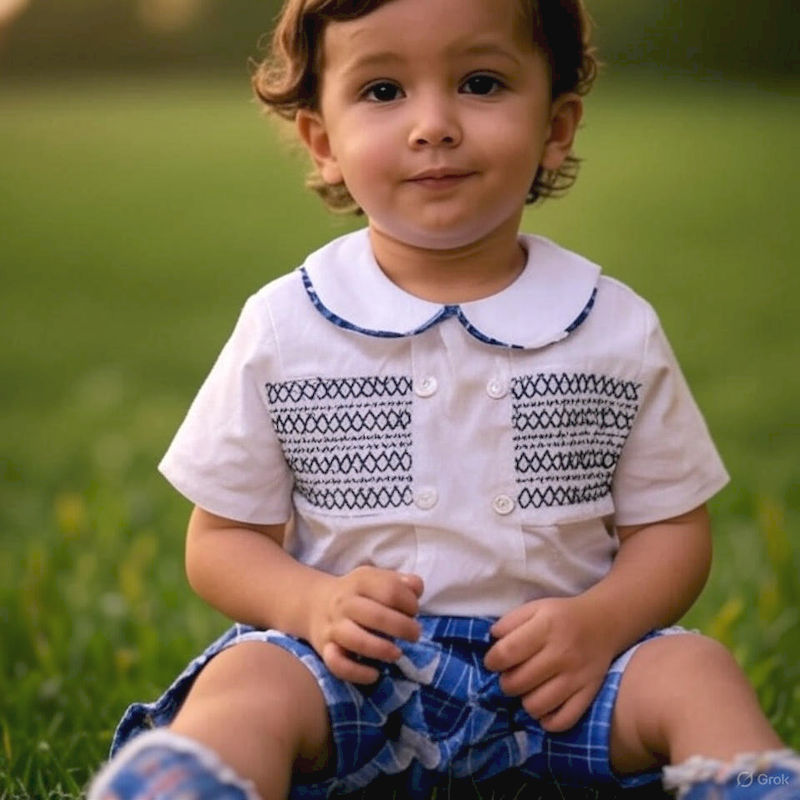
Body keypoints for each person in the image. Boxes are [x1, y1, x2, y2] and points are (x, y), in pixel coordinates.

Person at [87, 1, 800, 798]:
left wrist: (599, 625)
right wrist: (312, 602)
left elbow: (671, 529)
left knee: (695, 670)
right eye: (384, 91)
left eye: (481, 82)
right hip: (350, 675)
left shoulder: (612, 325)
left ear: (556, 128)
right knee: (249, 679)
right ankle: (196, 781)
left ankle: (749, 783)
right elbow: (220, 539)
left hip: (561, 679)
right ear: (323, 142)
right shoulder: (287, 326)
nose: (434, 124)